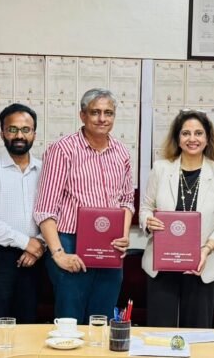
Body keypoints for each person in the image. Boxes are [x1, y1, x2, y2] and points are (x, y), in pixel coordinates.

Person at [33, 88, 134, 323]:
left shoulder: (121, 152)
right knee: (71, 321)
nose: (102, 118)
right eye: (95, 112)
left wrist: (124, 235)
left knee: (102, 320)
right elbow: (45, 209)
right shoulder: (62, 150)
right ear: (82, 115)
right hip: (70, 243)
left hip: (110, 244)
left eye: (108, 113)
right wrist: (58, 254)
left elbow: (127, 201)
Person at [139, 110, 214, 328]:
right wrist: (148, 221)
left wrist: (206, 250)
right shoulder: (161, 168)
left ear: (207, 138)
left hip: (202, 264)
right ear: (177, 137)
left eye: (199, 133)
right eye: (186, 133)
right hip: (161, 265)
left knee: (197, 334)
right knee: (160, 333)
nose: (192, 139)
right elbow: (146, 208)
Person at [0, 103, 45, 326]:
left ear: (34, 134)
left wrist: (39, 244)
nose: (19, 135)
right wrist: (26, 242)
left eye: (26, 129)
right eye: (12, 129)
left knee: (27, 325)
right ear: (2, 133)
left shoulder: (45, 170)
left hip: (35, 259)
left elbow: (55, 213)